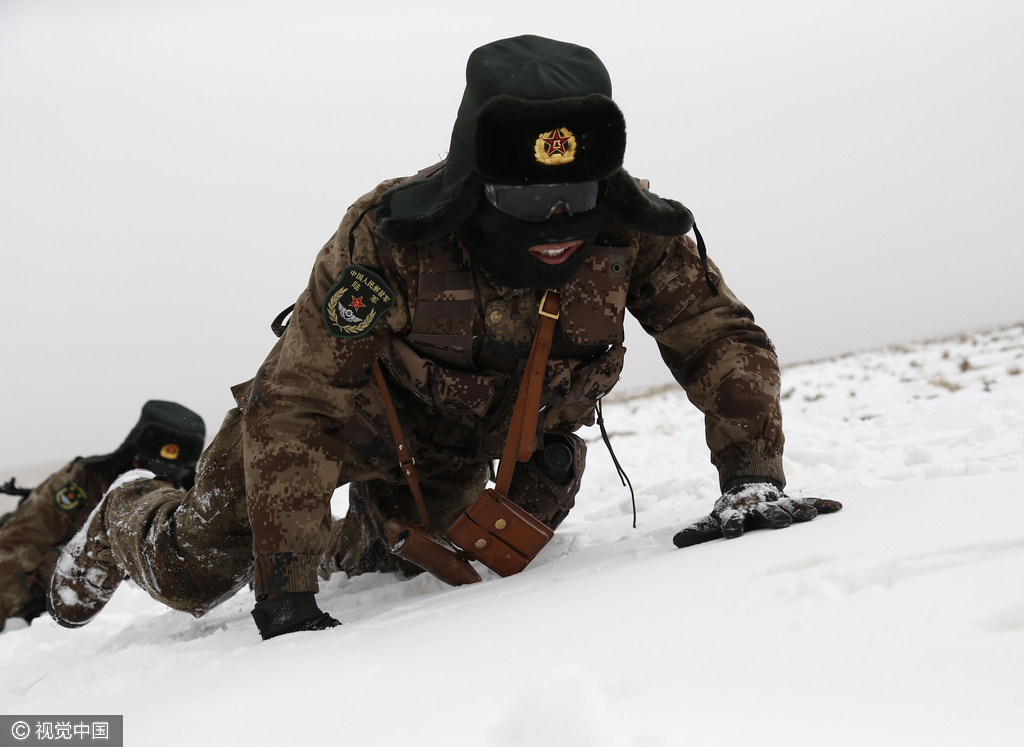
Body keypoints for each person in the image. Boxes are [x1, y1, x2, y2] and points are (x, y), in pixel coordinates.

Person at [48, 35, 840, 641]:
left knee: (413, 566)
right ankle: (124, 517)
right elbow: (298, 404)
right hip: (343, 425)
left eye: (576, 192)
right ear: (473, 184)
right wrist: (286, 591)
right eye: (528, 201)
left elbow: (720, 337)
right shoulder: (388, 235)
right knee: (198, 570)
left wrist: (751, 476)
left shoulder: (635, 231)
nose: (558, 222)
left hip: (455, 450)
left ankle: (353, 532)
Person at [0, 400, 204, 631]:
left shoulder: (183, 507)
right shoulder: (83, 480)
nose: (157, 477)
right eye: (150, 464)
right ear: (132, 455)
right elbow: (18, 545)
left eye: (173, 473)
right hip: (37, 587)